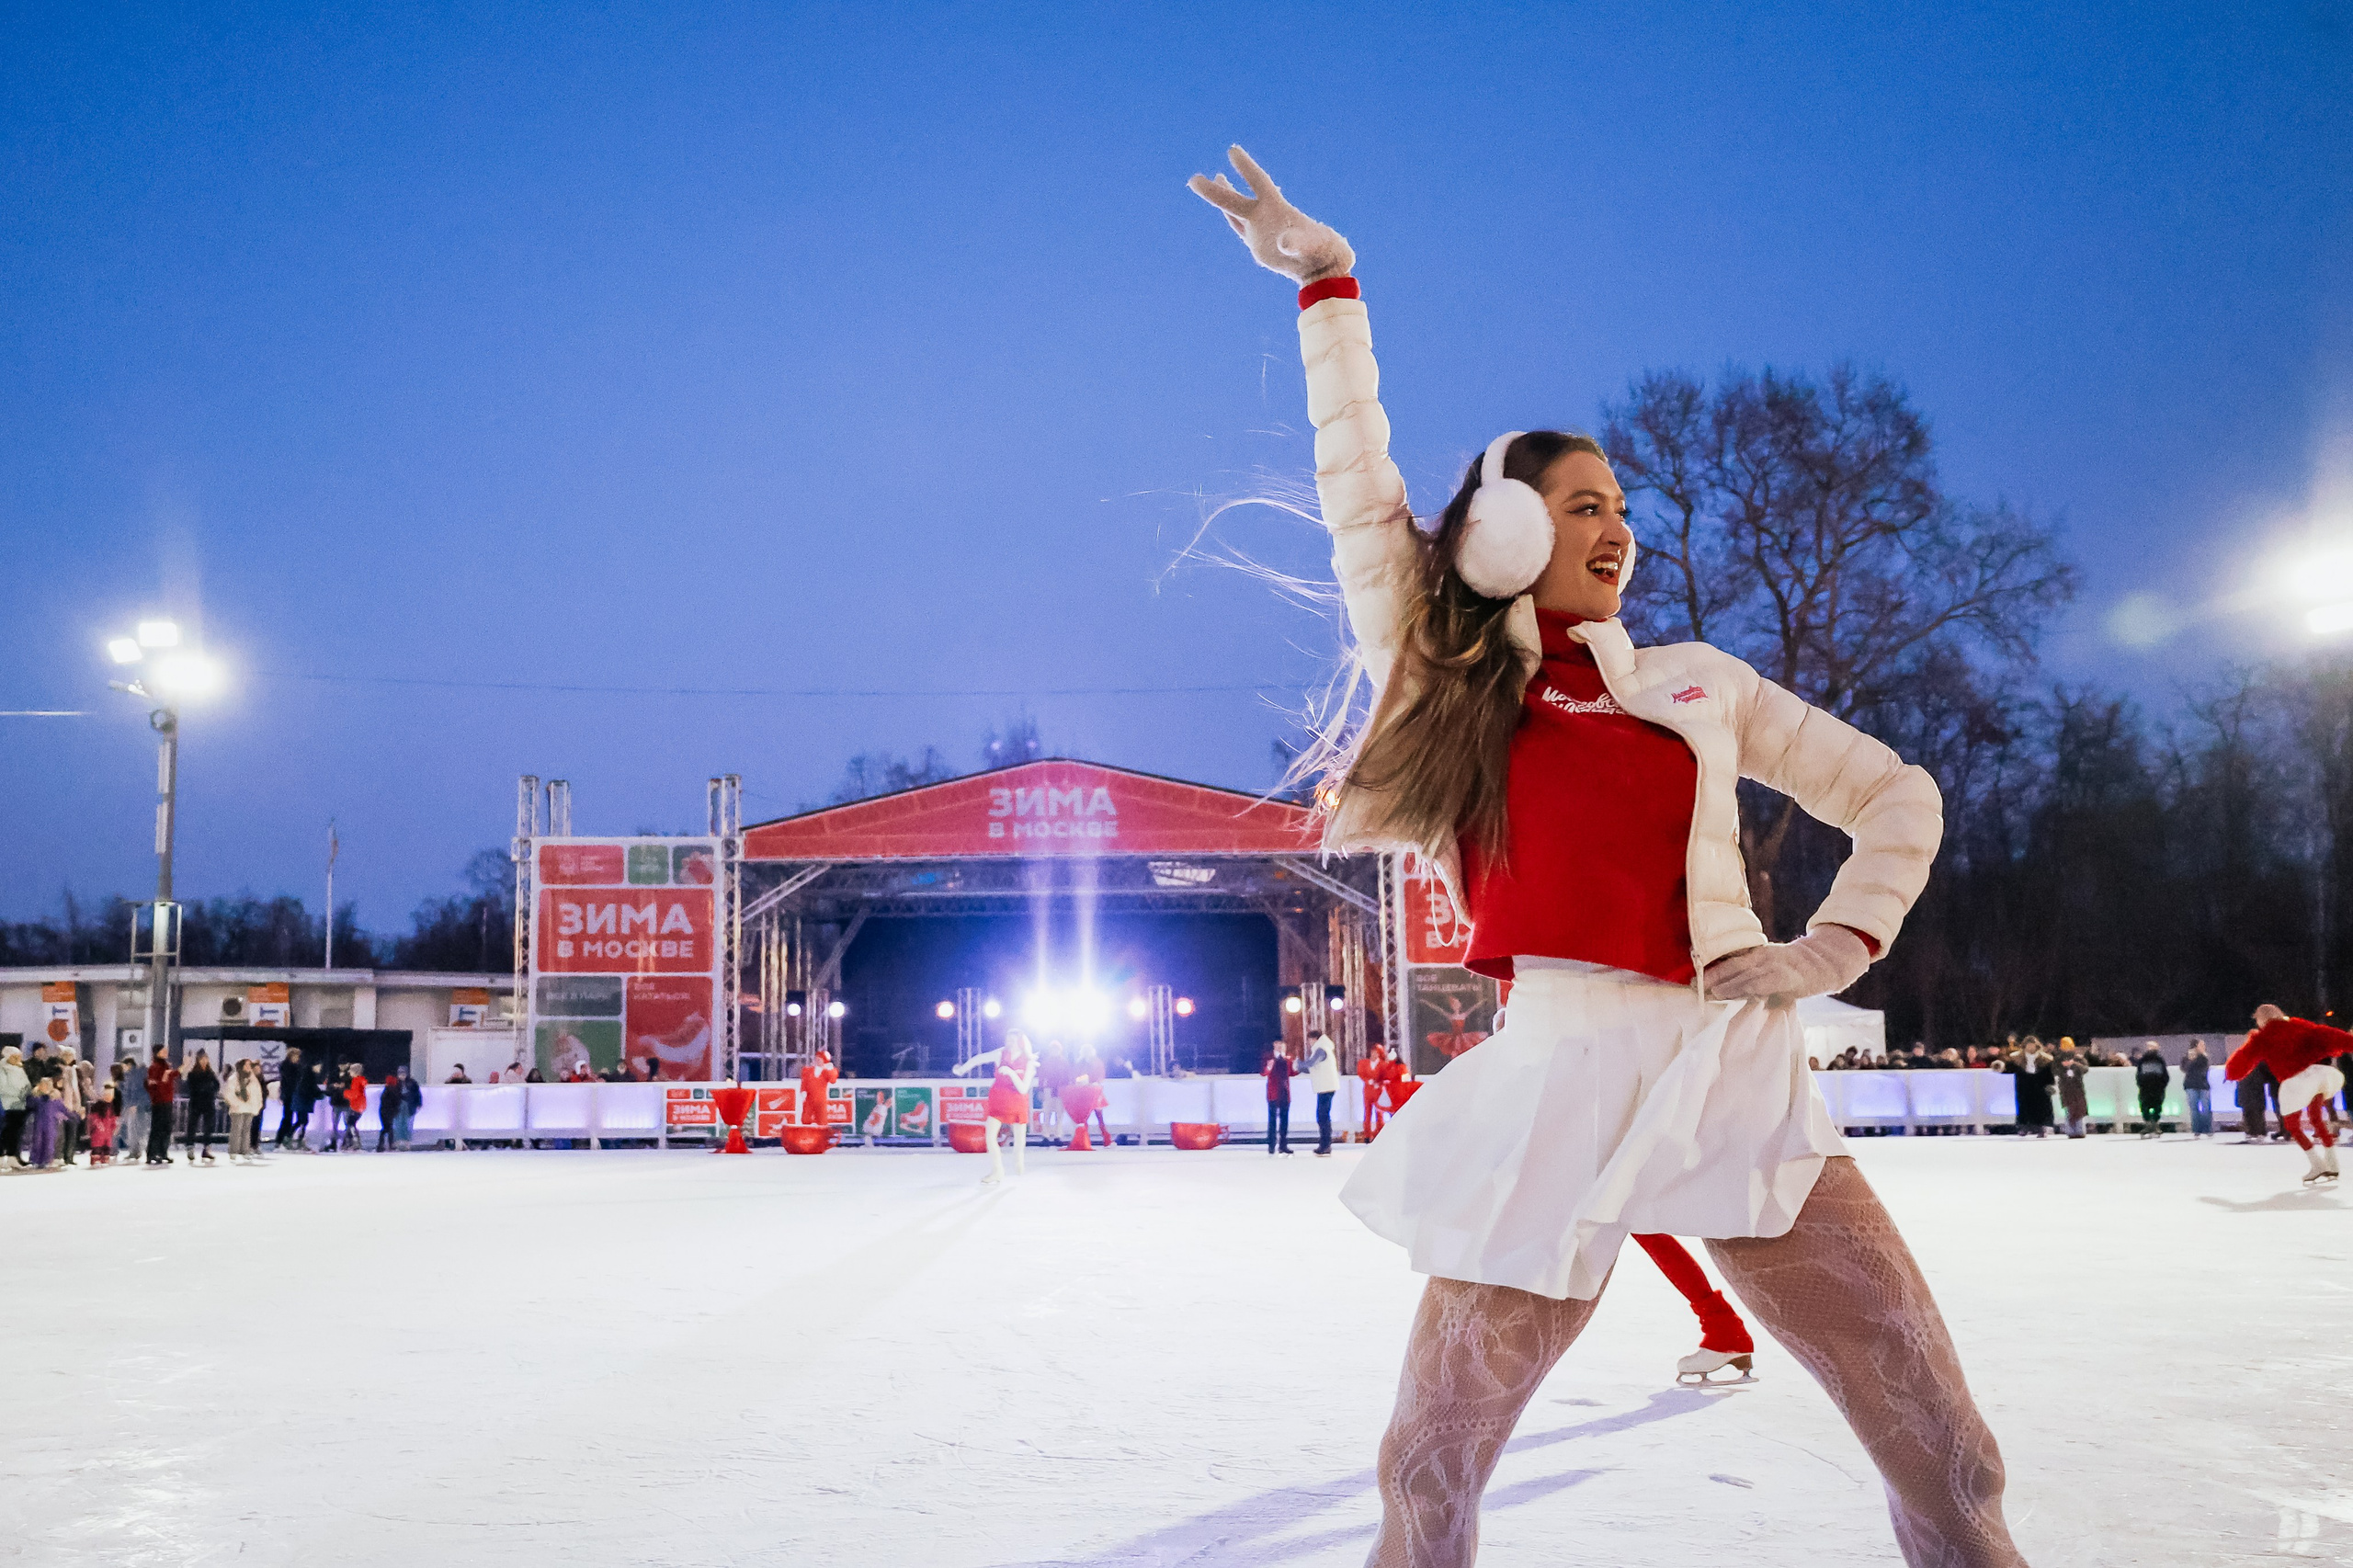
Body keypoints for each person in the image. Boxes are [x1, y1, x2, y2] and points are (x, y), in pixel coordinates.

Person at [1188, 146, 2021, 1566]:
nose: (1618, 524)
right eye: (1582, 503)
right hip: (1557, 1079)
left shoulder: (1701, 682)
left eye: (1622, 503)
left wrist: (1839, 943)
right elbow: (1357, 492)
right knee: (1426, 1477)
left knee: (1955, 1455)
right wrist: (1328, 286)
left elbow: (1901, 795)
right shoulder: (1455, 677)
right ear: (1507, 534)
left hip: (1735, 1076)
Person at [2227, 1005, 2350, 1183]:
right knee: (2316, 1118)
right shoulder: (2297, 1025)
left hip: (2296, 1081)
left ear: (2261, 1019)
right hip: (2317, 1076)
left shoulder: (2262, 1038)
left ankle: (2317, 1163)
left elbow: (2243, 1059)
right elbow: (2325, 1033)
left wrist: (2231, 1072)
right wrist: (2349, 1041)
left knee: (2292, 1125)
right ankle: (2333, 1163)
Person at [951, 1031, 1037, 1184]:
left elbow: (1023, 1089)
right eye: (1008, 1039)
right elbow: (979, 1059)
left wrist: (1011, 1073)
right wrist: (962, 1069)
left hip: (1017, 1102)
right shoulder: (1000, 1054)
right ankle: (997, 1170)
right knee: (990, 1137)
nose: (1009, 1042)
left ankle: (1018, 1157)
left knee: (1019, 1141)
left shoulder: (1029, 1062)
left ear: (1021, 1043)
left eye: (1013, 1040)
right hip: (998, 1099)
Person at [1303, 1029, 1342, 1156]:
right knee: (1323, 1115)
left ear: (1314, 1039)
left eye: (1309, 1039)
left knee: (1322, 1116)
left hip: (1326, 1086)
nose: (1309, 1043)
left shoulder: (1320, 1049)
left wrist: (1298, 1065)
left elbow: (1311, 1063)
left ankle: (1325, 1145)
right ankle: (1325, 1144)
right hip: (1327, 1086)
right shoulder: (1325, 1047)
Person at [2010, 1039, 2056, 1137]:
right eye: (2028, 1045)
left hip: (2040, 1087)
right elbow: (2009, 1068)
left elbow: (2049, 1073)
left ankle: (2041, 1128)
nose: (2030, 1047)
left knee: (2041, 1108)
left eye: (2032, 1045)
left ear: (2036, 1046)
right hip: (2024, 1086)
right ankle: (2024, 1127)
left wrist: (2051, 1084)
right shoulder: (2018, 1059)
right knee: (2024, 1107)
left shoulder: (2044, 1059)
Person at [182, 1050, 221, 1165]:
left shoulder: (210, 1073)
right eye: (202, 1059)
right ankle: (190, 1147)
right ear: (198, 1060)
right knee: (192, 1125)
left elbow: (216, 1085)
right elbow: (191, 1087)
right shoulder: (193, 1074)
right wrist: (204, 1089)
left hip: (209, 1102)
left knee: (209, 1126)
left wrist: (212, 1090)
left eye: (206, 1058)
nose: (205, 1061)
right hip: (196, 1102)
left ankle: (206, 1148)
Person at [223, 1060, 265, 1162]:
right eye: (246, 1065)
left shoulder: (252, 1079)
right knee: (236, 1130)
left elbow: (257, 1093)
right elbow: (229, 1093)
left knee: (246, 1130)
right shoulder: (234, 1078)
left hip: (249, 1108)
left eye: (249, 1065)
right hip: (238, 1108)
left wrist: (257, 1105)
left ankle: (245, 1151)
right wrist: (236, 1103)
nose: (248, 1067)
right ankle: (233, 1151)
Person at [1261, 1040, 1296, 1157]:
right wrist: (1270, 1065)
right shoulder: (1268, 1057)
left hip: (1285, 1092)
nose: (1280, 1046)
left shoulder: (1287, 1058)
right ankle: (1271, 1145)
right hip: (1273, 1092)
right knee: (1272, 1120)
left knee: (1284, 1120)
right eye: (1277, 1043)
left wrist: (1294, 1063)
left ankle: (1283, 1145)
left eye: (1281, 1043)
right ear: (1274, 1045)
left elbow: (1293, 1072)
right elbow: (1263, 1072)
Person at [144, 1047, 179, 1165]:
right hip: (159, 1102)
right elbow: (152, 1085)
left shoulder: (166, 1066)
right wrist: (163, 1080)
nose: (166, 1053)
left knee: (166, 1128)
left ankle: (163, 1152)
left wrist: (183, 1067)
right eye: (163, 1051)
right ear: (157, 1053)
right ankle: (152, 1153)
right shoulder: (154, 1067)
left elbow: (172, 1075)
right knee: (157, 1128)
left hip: (168, 1100)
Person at [2133, 1042, 2171, 1138]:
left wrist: (2142, 1084)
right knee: (2154, 1106)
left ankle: (2151, 1125)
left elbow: (2139, 1075)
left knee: (2148, 1106)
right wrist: (2162, 1085)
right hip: (2153, 1089)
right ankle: (2152, 1125)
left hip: (2149, 1089)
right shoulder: (2157, 1060)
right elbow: (2165, 1076)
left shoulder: (2147, 1060)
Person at [1, 1044, 28, 1168]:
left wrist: (27, 1092)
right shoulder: (3, 1068)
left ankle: (13, 1156)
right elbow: (3, 1087)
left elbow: (26, 1084)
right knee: (7, 1131)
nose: (18, 1059)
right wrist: (18, 1093)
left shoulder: (19, 1068)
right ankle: (2, 1157)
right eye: (15, 1056)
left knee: (16, 1132)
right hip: (8, 1104)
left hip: (21, 1104)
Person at [2053, 1048, 2088, 1140]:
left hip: (2078, 1090)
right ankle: (2071, 1131)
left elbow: (2085, 1069)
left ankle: (2080, 1131)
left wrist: (2074, 1064)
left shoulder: (2078, 1059)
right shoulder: (2058, 1059)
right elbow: (2054, 1071)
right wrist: (2063, 1066)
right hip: (2066, 1090)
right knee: (2069, 1111)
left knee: (2079, 1111)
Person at [274, 1048, 305, 1147]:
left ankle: (287, 1138)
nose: (298, 1058)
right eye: (296, 1056)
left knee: (299, 1118)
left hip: (296, 1095)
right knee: (287, 1118)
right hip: (289, 1095)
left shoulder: (298, 1067)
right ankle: (281, 1140)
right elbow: (290, 1081)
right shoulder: (286, 1066)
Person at [2181, 1040, 2213, 1136]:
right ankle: (2196, 1130)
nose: (2204, 1046)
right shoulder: (2187, 1057)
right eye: (2201, 1045)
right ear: (2195, 1046)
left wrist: (2202, 1056)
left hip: (2203, 1084)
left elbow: (2205, 1068)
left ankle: (2207, 1129)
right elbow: (2185, 1068)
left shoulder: (2204, 1057)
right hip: (2191, 1084)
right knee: (2194, 1108)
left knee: (2206, 1107)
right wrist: (2191, 1059)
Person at [84, 1082, 119, 1166]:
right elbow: (93, 1118)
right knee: (97, 1148)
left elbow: (113, 1119)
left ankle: (104, 1159)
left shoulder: (112, 1106)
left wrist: (114, 1127)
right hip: (98, 1133)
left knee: (106, 1149)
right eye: (106, 1094)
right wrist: (99, 1126)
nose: (108, 1096)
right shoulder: (97, 1106)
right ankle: (96, 1159)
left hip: (107, 1134)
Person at [1356, 1047, 1384, 1140]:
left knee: (1379, 1114)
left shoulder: (1383, 1064)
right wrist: (1368, 1081)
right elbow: (1361, 1074)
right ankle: (1367, 1135)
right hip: (1368, 1091)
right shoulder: (1364, 1063)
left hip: (1379, 1091)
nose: (1374, 1054)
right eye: (1373, 1052)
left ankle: (1379, 1134)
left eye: (1377, 1053)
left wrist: (1379, 1082)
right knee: (1367, 1113)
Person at [341, 1067, 369, 1151]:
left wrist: (345, 1093)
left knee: (351, 1123)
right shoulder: (361, 1080)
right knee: (351, 1123)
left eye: (351, 1071)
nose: (350, 1073)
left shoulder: (356, 1081)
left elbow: (355, 1093)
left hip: (356, 1105)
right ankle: (349, 1143)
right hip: (361, 1105)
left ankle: (355, 1142)